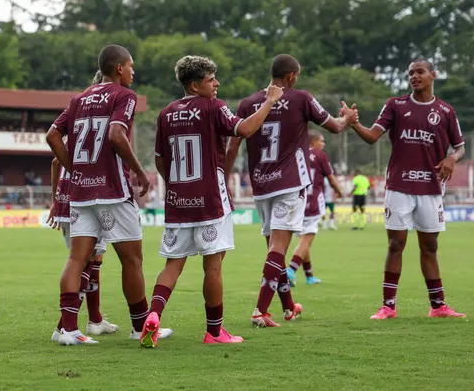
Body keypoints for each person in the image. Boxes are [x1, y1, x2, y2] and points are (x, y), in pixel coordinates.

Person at [140, 55, 283, 348]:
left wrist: (179, 185)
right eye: (210, 79)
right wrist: (268, 102)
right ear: (195, 85)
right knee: (213, 266)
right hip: (210, 201)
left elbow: (159, 160)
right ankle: (215, 332)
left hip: (178, 202)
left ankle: (153, 314)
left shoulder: (165, 113)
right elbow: (243, 130)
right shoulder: (213, 107)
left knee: (172, 264)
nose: (216, 84)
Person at [46, 44, 173, 345]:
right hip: (113, 190)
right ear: (119, 68)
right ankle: (140, 327)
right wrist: (140, 172)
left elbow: (52, 135)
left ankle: (68, 330)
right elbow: (116, 135)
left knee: (77, 259)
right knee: (132, 260)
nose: (133, 72)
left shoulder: (78, 98)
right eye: (131, 66)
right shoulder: (123, 96)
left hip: (80, 192)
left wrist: (74, 169)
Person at [226, 54, 358, 327]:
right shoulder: (301, 98)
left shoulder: (249, 103)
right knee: (278, 249)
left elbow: (233, 146)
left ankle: (288, 306)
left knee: (276, 250)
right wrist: (349, 119)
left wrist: (225, 181)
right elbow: (334, 127)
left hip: (261, 184)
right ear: (291, 77)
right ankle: (260, 311)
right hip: (289, 183)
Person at [346, 58, 466, 319]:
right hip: (399, 186)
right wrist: (354, 123)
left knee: (430, 247)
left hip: (431, 188)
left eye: (420, 72)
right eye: (410, 73)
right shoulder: (395, 105)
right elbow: (372, 136)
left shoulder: (446, 111)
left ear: (432, 75)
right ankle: (388, 306)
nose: (414, 76)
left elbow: (460, 147)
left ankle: (438, 306)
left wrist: (451, 159)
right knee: (395, 244)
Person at [46, 70, 118, 343]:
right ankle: (66, 327)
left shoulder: (77, 113)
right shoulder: (103, 113)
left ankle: (93, 319)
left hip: (68, 197)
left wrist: (56, 199)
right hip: (86, 196)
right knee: (84, 261)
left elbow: (55, 161)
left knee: (91, 260)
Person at [287, 130, 343, 286]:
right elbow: (331, 179)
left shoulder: (296, 154)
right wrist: (339, 192)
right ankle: (290, 271)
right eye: (322, 141)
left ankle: (309, 276)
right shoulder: (320, 156)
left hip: (296, 202)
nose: (323, 144)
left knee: (303, 241)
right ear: (313, 142)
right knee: (307, 239)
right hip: (312, 202)